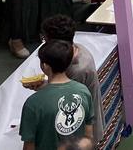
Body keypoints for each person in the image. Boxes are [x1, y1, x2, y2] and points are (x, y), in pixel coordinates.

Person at [37, 15, 102, 144]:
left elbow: (63, 103)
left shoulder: (78, 70)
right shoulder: (74, 49)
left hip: (79, 130)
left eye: (45, 39)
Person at [19, 40, 92, 149]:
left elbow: (29, 146)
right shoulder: (84, 91)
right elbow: (88, 136)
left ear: (45, 65)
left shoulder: (33, 103)